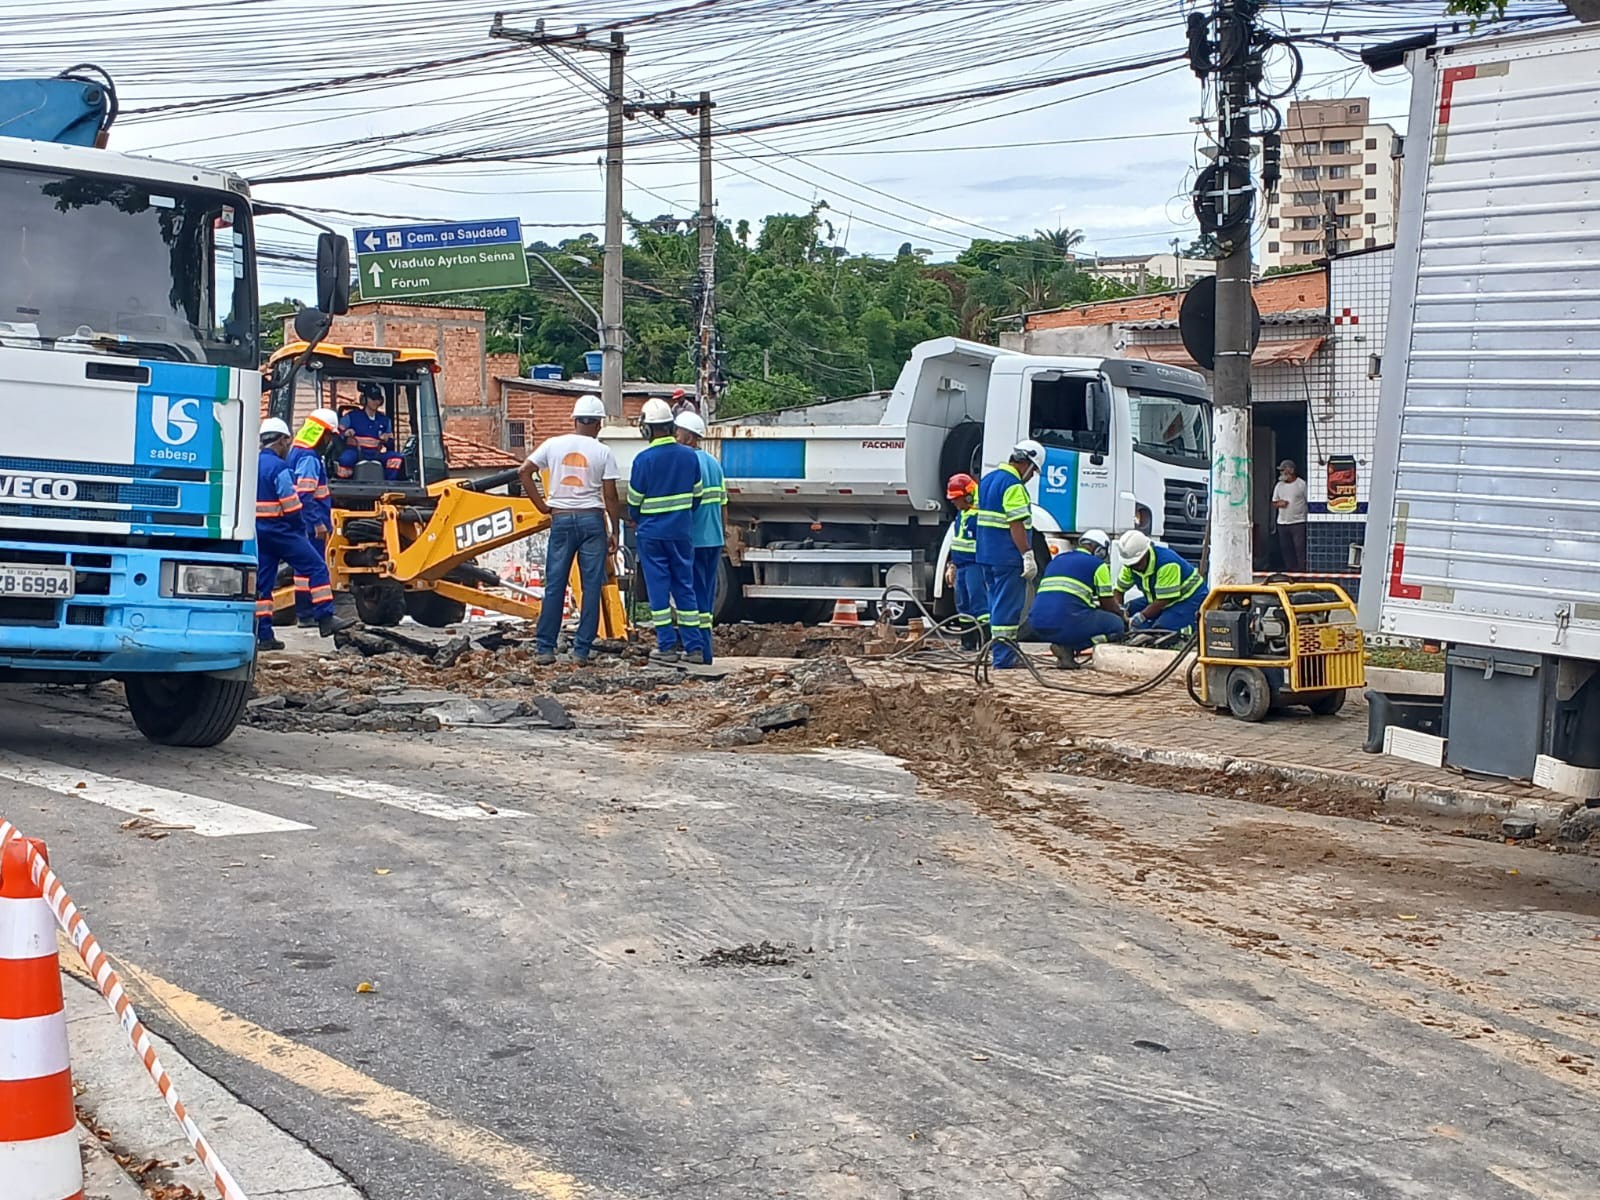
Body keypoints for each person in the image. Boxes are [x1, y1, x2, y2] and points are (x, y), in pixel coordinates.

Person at [518, 394, 622, 666]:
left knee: (555, 585)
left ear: (575, 420)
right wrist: (615, 531)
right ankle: (581, 651)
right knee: (590, 587)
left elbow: (523, 472)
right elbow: (610, 496)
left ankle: (545, 649)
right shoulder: (603, 452)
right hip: (592, 521)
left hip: (561, 519)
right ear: (599, 424)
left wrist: (542, 506)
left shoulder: (553, 445)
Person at [256, 418, 350, 649]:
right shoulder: (279, 468)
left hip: (258, 532)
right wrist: (299, 528)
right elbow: (292, 504)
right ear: (281, 440)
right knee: (317, 567)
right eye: (286, 440)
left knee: (262, 585)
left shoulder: (251, 464)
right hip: (282, 531)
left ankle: (264, 636)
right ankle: (325, 618)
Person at [626, 398, 707, 664]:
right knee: (685, 586)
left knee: (658, 589)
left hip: (651, 535)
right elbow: (697, 497)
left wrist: (638, 518)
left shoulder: (643, 460)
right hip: (681, 533)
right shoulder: (690, 457)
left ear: (647, 429)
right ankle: (694, 648)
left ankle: (667, 646)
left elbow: (634, 502)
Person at [975, 439, 1045, 669]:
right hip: (1007, 556)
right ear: (1027, 464)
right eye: (1034, 470)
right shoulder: (1014, 485)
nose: (1032, 476)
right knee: (1007, 608)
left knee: (996, 605)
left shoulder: (987, 480)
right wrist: (1027, 554)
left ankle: (1001, 653)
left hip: (986, 555)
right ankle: (1004, 659)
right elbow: (1016, 524)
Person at [1030, 529, 1125, 669]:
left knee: (1080, 615)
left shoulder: (1057, 559)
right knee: (1117, 626)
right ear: (1100, 550)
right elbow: (1108, 604)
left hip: (1037, 623)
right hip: (1067, 622)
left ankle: (1064, 650)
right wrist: (1122, 615)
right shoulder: (1098, 565)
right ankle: (1072, 648)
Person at [674, 410, 725, 665]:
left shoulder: (686, 463)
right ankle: (706, 650)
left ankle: (695, 648)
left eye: (678, 432)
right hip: (713, 540)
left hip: (692, 540)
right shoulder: (714, 464)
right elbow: (724, 503)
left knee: (689, 595)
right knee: (706, 595)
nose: (675, 436)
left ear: (689, 437)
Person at [285, 408, 339, 628]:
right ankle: (320, 614)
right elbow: (306, 494)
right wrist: (317, 522)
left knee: (302, 570)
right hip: (311, 523)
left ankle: (305, 614)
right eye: (329, 435)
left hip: (300, 521)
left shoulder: (295, 453)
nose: (329, 441)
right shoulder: (309, 458)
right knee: (317, 567)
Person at [1113, 529, 1208, 637]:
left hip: (1188, 599)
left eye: (1137, 564)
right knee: (1129, 609)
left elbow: (1164, 600)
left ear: (1146, 553)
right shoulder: (1130, 566)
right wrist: (1120, 611)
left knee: (1160, 631)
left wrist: (1141, 616)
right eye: (1131, 565)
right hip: (1158, 598)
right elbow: (1118, 590)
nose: (1134, 568)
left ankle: (1186, 631)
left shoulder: (1167, 563)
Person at [943, 473, 988, 650]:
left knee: (980, 604)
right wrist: (952, 565)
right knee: (963, 606)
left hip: (975, 565)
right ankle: (967, 643)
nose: (954, 502)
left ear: (968, 495)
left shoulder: (979, 516)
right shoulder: (962, 514)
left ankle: (985, 643)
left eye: (957, 498)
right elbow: (957, 541)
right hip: (961, 566)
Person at [337, 382, 403, 481]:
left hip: (376, 454)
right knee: (345, 459)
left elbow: (390, 444)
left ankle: (388, 483)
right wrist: (346, 433)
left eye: (378, 399)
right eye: (372, 399)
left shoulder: (385, 420)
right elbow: (338, 433)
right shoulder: (351, 416)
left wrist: (387, 439)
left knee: (396, 457)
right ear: (364, 400)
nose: (376, 402)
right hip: (355, 451)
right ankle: (345, 483)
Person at [1272, 458, 1308, 575]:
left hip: (1298, 522)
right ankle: (1290, 572)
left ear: (1291, 470)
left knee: (1299, 548)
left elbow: (1309, 501)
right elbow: (1273, 502)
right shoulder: (1279, 486)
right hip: (1282, 522)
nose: (1281, 473)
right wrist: (1279, 504)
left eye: (1283, 470)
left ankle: (1301, 572)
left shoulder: (1301, 484)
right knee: (1286, 549)